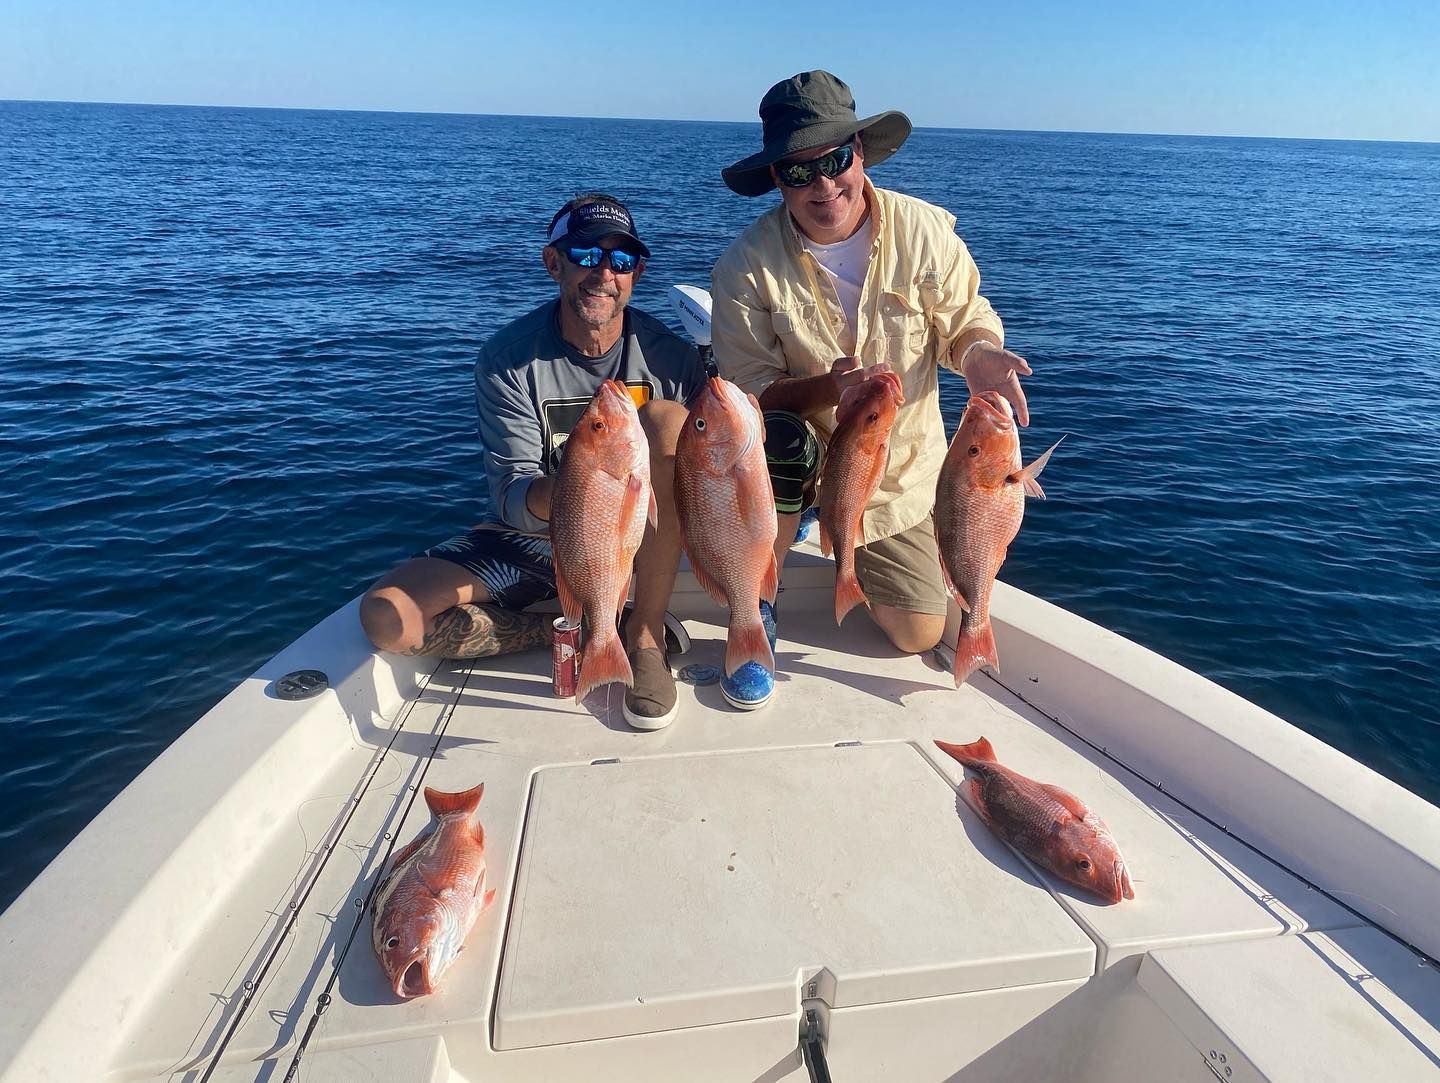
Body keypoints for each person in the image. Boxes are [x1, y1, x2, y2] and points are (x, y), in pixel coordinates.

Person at [710, 70, 1034, 702]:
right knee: (768, 435)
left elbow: (966, 319)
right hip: (799, 456)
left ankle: (842, 544)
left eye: (834, 160)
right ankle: (758, 601)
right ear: (776, 178)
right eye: (798, 172)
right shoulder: (743, 268)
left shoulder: (925, 231)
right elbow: (746, 396)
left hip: (902, 472)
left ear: (859, 152)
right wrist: (827, 388)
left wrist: (978, 356)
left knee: (916, 634)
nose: (823, 185)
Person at [361, 193, 705, 731]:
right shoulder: (508, 359)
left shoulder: (673, 358)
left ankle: (644, 631)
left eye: (620, 260)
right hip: (538, 541)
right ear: (554, 263)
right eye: (585, 255)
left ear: (635, 272)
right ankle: (577, 629)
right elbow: (513, 499)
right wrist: (576, 484)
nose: (603, 274)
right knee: (387, 619)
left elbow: (709, 472)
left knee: (665, 420)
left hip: (635, 545)